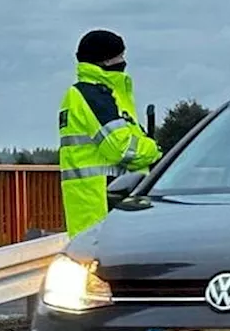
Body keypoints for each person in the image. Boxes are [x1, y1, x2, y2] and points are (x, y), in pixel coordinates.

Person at [58, 29, 161, 237]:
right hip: (102, 204)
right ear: (105, 61)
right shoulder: (92, 95)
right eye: (119, 56)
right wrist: (154, 150)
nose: (123, 61)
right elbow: (122, 150)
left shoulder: (106, 94)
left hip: (106, 201)